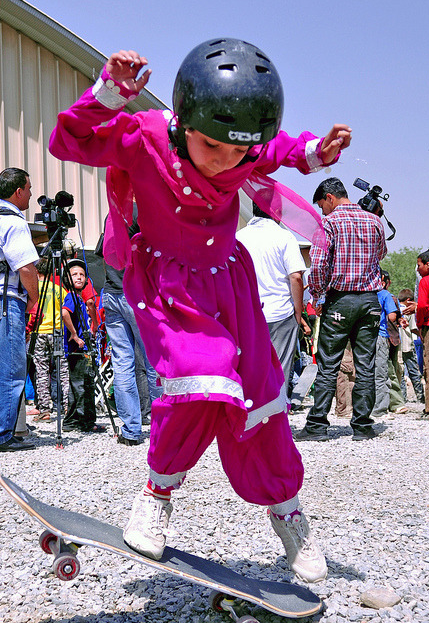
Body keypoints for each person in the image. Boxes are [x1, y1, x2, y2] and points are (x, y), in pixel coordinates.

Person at [49, 38, 352, 582]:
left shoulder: (242, 146)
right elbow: (67, 141)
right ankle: (156, 496)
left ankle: (288, 515)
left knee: (262, 392)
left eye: (239, 152)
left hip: (228, 285)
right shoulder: (143, 138)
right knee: (200, 376)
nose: (226, 162)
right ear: (184, 117)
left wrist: (319, 152)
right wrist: (110, 92)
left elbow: (284, 149)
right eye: (213, 146)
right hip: (169, 285)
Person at [296, 177, 386, 442]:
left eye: (322, 205)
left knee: (328, 365)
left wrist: (318, 295)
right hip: (370, 301)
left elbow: (320, 264)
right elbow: (380, 254)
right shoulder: (374, 221)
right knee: (365, 365)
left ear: (329, 197)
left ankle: (316, 426)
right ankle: (362, 426)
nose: (323, 211)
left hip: (340, 301)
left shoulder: (330, 222)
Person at [101, 205, 162, 445]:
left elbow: (102, 251)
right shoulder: (142, 212)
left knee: (122, 363)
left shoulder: (113, 214)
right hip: (135, 294)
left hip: (112, 292)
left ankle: (131, 430)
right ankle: (161, 427)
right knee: (153, 362)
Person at [236, 202, 306, 398]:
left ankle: (251, 416)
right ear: (277, 213)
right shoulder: (284, 237)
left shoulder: (239, 237)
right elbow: (296, 277)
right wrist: (298, 312)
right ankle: (277, 417)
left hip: (248, 314)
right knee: (280, 370)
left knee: (251, 367)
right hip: (281, 313)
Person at [0, 168, 38, 452]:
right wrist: (34, 300)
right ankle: (4, 433)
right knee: (12, 369)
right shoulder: (13, 222)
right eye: (28, 188)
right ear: (18, 192)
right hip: (6, 299)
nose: (30, 194)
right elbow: (25, 267)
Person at [62, 258, 106, 433]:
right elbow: (65, 312)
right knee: (83, 386)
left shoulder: (79, 298)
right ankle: (85, 422)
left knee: (77, 385)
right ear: (67, 278)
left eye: (81, 274)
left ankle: (71, 421)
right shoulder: (72, 296)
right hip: (78, 350)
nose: (79, 277)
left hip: (80, 349)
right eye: (74, 275)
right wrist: (74, 334)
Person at [32, 258, 70, 422]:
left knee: (41, 371)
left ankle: (45, 409)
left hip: (39, 332)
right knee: (62, 370)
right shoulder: (59, 289)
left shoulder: (33, 289)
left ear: (37, 271)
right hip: (57, 332)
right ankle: (68, 406)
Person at [371, 270, 399, 417]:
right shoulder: (385, 295)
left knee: (367, 372)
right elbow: (392, 316)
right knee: (381, 373)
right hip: (381, 336)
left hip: (365, 337)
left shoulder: (366, 294)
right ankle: (380, 408)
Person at [398, 288, 425, 404]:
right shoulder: (408, 311)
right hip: (408, 345)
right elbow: (413, 328)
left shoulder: (395, 308)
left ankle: (402, 397)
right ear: (409, 300)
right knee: (413, 371)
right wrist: (423, 335)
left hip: (398, 346)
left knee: (399, 370)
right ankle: (420, 396)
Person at [415, 250, 429, 419]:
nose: (418, 269)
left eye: (419, 265)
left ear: (428, 265)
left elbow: (421, 306)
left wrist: (419, 324)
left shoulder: (425, 282)